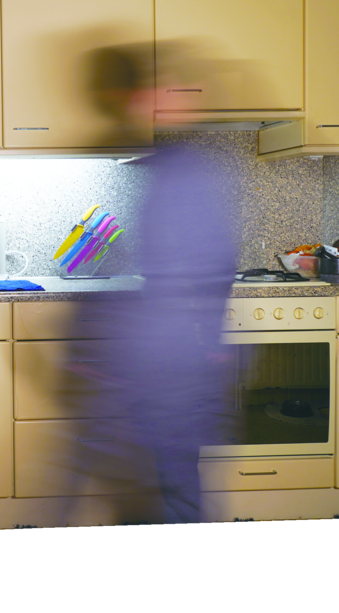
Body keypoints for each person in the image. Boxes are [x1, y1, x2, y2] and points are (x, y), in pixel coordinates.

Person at [63, 44, 237, 526]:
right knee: (157, 491)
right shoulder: (156, 167)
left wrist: (208, 345)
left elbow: (212, 269)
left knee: (169, 490)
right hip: (154, 371)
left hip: (171, 371)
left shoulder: (183, 171)